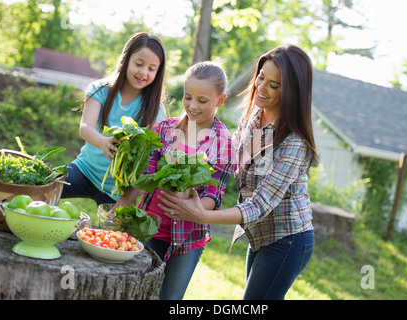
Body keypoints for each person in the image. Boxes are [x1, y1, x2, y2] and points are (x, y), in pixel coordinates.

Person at [158, 45, 318, 300]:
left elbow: (260, 205)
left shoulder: (294, 142)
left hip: (287, 239)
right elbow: (235, 156)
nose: (261, 87)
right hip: (259, 235)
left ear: (292, 91)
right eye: (261, 77)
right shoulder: (256, 116)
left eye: (274, 85)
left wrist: (201, 215)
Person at [115, 61, 236, 300]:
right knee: (132, 291)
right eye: (187, 97)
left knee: (169, 298)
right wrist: (123, 203)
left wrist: (192, 206)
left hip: (187, 238)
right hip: (147, 226)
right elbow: (145, 176)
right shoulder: (165, 129)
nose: (192, 106)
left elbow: (214, 194)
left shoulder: (223, 141)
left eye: (202, 101)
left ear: (220, 101)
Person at [61, 32, 167, 205]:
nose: (143, 72)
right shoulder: (100, 89)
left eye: (151, 68)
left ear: (158, 72)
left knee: (115, 232)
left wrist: (129, 195)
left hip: (118, 189)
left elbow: (149, 157)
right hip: (84, 170)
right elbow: (86, 128)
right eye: (138, 64)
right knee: (47, 186)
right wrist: (103, 141)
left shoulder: (155, 109)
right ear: (126, 60)